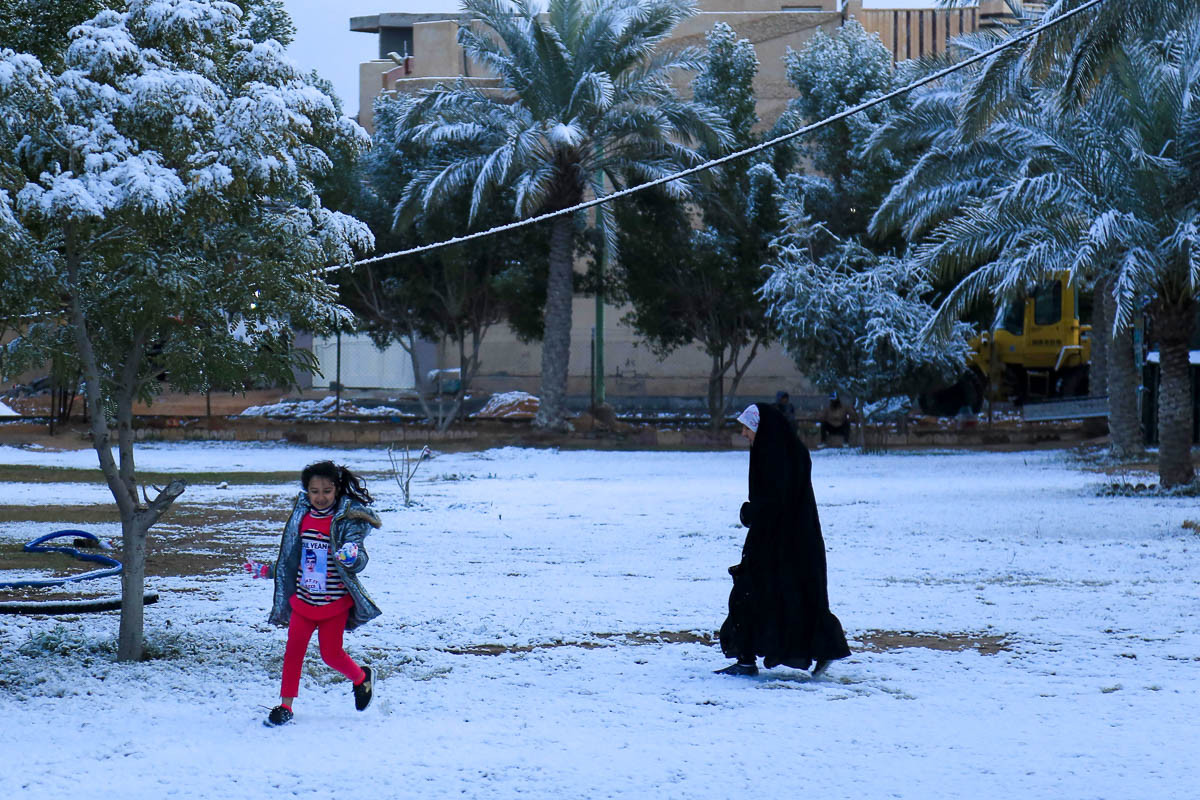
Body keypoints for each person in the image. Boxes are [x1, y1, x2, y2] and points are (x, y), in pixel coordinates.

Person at [716, 403, 851, 677]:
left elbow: (776, 501)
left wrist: (750, 511)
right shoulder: (784, 451)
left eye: (747, 428)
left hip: (779, 542)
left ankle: (748, 659)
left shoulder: (776, 456)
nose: (744, 434)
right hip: (792, 540)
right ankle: (752, 657)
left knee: (753, 593)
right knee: (787, 596)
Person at [264, 461, 382, 727]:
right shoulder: (301, 517)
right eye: (314, 491)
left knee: (331, 654)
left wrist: (352, 557)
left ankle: (361, 678)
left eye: (327, 491)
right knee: (293, 653)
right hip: (303, 602)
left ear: (337, 490)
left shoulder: (346, 521)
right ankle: (285, 705)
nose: (320, 497)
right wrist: (268, 570)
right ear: (307, 491)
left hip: (334, 603)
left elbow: (359, 557)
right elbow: (291, 558)